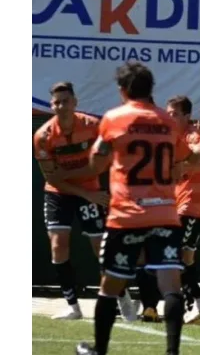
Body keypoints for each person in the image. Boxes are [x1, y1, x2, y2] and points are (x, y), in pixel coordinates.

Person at [76, 61, 191, 355]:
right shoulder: (168, 121)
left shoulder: (114, 118)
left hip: (127, 214)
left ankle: (100, 349)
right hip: (165, 212)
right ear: (151, 89)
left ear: (123, 90)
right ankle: (172, 351)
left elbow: (96, 164)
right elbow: (180, 161)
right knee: (171, 285)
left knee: (110, 284)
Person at [33, 82, 136, 321]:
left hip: (91, 189)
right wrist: (83, 191)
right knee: (58, 246)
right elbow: (52, 179)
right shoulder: (42, 136)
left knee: (101, 248)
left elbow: (103, 163)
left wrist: (73, 178)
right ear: (51, 105)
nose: (61, 106)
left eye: (65, 101)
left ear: (75, 102)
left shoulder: (93, 127)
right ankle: (73, 306)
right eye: (56, 102)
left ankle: (122, 297)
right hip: (60, 194)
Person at [165, 95, 200, 324]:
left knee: (177, 256)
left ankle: (192, 306)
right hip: (176, 203)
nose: (169, 117)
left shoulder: (196, 137)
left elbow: (193, 162)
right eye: (168, 113)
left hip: (193, 203)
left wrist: (172, 168)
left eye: (174, 114)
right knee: (185, 257)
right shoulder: (170, 137)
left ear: (187, 116)